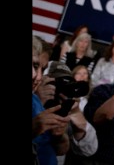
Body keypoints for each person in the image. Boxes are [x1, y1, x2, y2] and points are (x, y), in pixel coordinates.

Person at [32, 36, 70, 165]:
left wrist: (59, 136)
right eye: (35, 66)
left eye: (42, 69)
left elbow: (62, 150)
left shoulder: (51, 101)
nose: (38, 76)